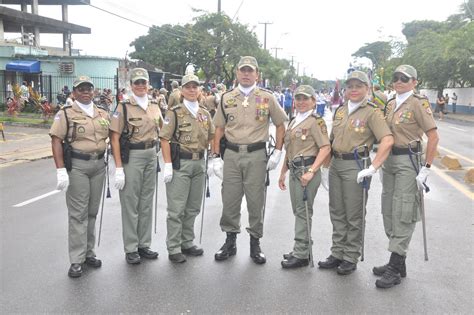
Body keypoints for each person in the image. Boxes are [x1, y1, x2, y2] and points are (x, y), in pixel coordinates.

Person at [212, 56, 288, 264]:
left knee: (256, 200)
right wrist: (216, 156)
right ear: (237, 73)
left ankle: (255, 243)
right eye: (242, 70)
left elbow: (280, 124)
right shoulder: (226, 98)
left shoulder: (267, 97)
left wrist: (278, 152)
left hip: (256, 155)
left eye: (250, 71)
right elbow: (218, 128)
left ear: (257, 74)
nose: (246, 74)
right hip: (232, 154)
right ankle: (230, 241)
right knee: (230, 198)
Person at [318, 70, 394, 275]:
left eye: (358, 86)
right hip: (337, 164)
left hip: (356, 166)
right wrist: (326, 167)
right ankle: (337, 252)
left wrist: (373, 167)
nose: (353, 89)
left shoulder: (372, 112)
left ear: (367, 89)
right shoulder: (340, 111)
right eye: (350, 86)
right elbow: (331, 142)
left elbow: (387, 139)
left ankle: (350, 255)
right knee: (337, 211)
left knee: (354, 213)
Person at [375, 65, 439, 289]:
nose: (399, 81)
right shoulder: (391, 103)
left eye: (405, 78)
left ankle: (394, 264)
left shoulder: (418, 103)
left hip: (407, 162)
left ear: (414, 82)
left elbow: (433, 137)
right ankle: (399, 260)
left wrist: (427, 168)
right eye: (396, 77)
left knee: (403, 211)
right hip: (389, 161)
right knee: (388, 210)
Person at [49, 76, 110, 278]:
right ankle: (76, 259)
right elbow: (56, 141)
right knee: (78, 214)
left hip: (99, 165)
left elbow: (112, 135)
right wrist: (60, 169)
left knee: (92, 212)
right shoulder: (65, 114)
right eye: (81, 88)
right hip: (78, 166)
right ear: (74, 93)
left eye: (88, 88)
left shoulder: (102, 112)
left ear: (93, 91)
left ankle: (88, 253)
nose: (85, 91)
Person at [159, 73, 215, 263]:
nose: (192, 90)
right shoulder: (174, 112)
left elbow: (211, 136)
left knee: (192, 207)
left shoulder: (205, 114)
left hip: (199, 162)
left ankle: (187, 241)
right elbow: (164, 139)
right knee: (176, 209)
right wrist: (167, 164)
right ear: (182, 90)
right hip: (180, 163)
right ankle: (174, 246)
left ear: (199, 90)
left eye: (195, 87)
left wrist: (212, 159)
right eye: (188, 87)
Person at [109, 68, 162, 265]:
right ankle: (131, 247)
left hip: (151, 155)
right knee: (131, 203)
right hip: (133, 156)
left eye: (143, 82)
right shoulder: (123, 107)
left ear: (149, 85)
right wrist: (119, 168)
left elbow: (162, 129)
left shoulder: (155, 106)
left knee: (146, 201)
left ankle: (143, 244)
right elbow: (114, 138)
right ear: (131, 85)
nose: (140, 86)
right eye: (137, 83)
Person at [278, 85, 331, 268]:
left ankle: (301, 253)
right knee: (298, 210)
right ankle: (303, 248)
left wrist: (312, 171)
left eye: (305, 99)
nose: (301, 102)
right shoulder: (294, 121)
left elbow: (325, 148)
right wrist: (282, 172)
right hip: (294, 170)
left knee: (303, 211)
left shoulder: (316, 121)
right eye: (298, 98)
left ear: (314, 102)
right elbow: (290, 149)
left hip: (306, 170)